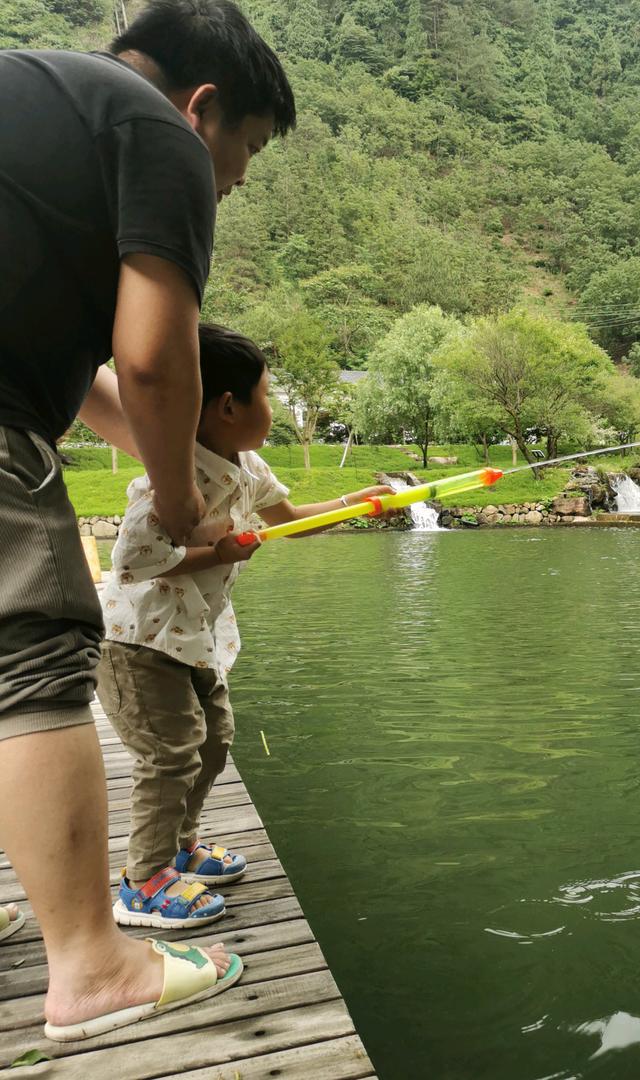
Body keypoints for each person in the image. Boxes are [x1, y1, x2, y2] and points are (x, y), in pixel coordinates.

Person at [0, 0, 295, 1042]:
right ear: (205, 105)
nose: (237, 179)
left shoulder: (38, 105)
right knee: (33, 661)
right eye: (247, 148)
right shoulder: (152, 130)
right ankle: (90, 963)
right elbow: (155, 357)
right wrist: (180, 504)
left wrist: (192, 464)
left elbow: (87, 387)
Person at [97, 324, 393, 930]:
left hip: (194, 638)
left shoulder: (246, 465)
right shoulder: (168, 476)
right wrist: (220, 554)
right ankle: (142, 882)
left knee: (213, 742)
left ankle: (181, 847)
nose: (275, 406)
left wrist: (353, 505)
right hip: (138, 645)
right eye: (267, 393)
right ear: (229, 406)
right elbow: (132, 562)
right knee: (169, 755)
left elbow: (288, 520)